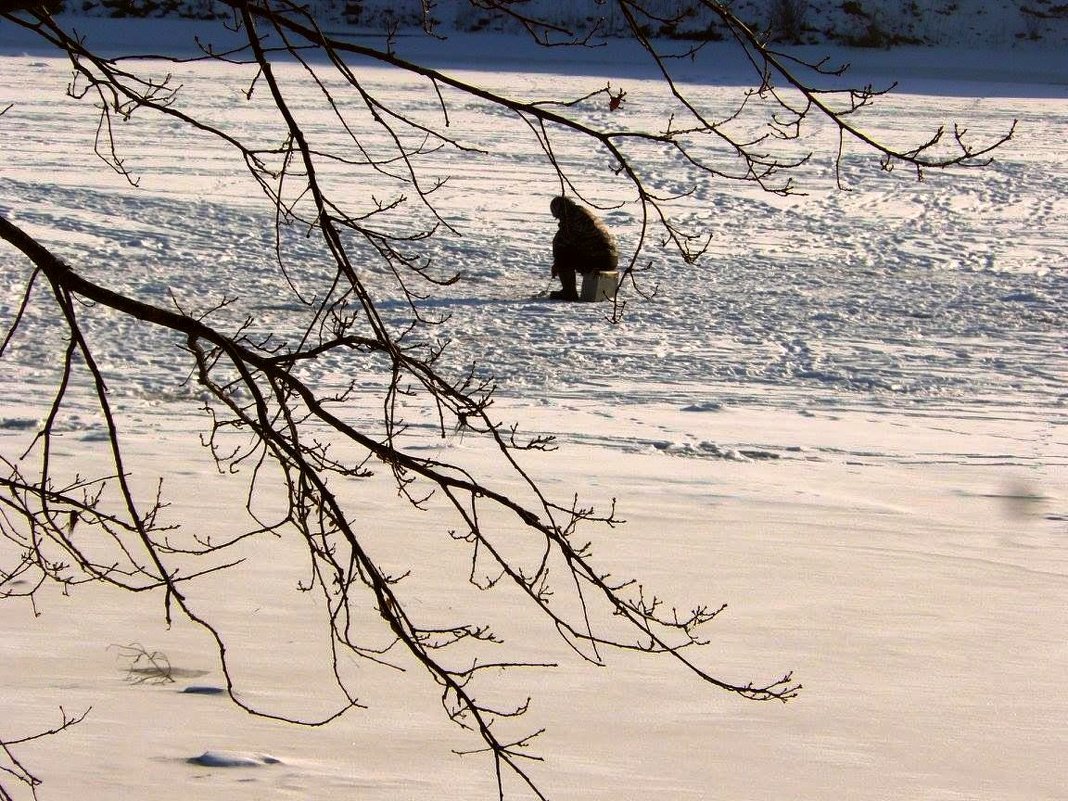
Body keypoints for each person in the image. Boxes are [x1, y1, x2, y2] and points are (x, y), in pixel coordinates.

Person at [549, 196, 618, 301]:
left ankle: (569, 292)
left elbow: (561, 244)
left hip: (598, 258)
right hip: (611, 258)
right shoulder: (580, 213)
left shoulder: (571, 219)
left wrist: (558, 265)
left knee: (563, 255)